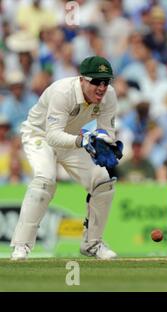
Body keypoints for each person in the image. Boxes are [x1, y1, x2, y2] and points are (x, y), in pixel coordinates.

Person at [10, 56, 121, 260]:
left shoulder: (109, 95)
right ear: (82, 79)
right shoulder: (63, 92)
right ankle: (21, 245)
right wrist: (84, 141)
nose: (102, 87)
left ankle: (93, 244)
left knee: (103, 181)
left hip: (74, 139)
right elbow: (52, 135)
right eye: (96, 81)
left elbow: (107, 130)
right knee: (45, 180)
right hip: (41, 136)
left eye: (106, 82)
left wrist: (105, 142)